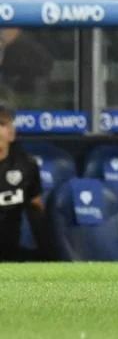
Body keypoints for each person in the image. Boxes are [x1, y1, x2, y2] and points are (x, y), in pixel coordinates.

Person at [0, 104, 48, 261]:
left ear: (11, 134)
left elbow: (35, 206)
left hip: (10, 252)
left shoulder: (26, 165)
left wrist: (47, 250)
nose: (6, 129)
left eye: (3, 125)